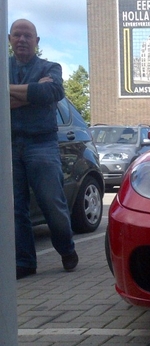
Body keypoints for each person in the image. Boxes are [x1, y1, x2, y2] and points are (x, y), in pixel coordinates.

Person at [9, 19, 78, 279]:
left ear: (37, 41)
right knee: (16, 208)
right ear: (9, 39)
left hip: (42, 143)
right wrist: (31, 94)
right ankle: (25, 262)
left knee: (52, 202)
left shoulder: (50, 67)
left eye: (28, 35)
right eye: (17, 35)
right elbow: (39, 94)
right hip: (10, 145)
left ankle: (67, 248)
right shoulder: (3, 67)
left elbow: (52, 92)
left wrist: (9, 93)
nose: (22, 40)